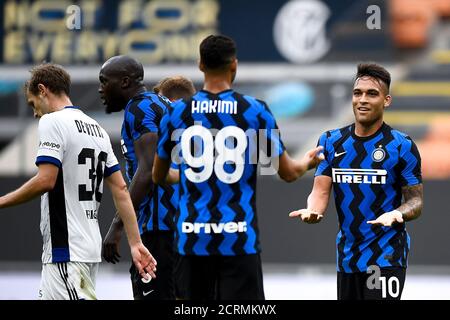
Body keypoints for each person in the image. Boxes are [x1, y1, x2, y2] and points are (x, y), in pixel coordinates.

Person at [152, 34, 324, 300]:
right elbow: (288, 173)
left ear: (200, 65)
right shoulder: (254, 111)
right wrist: (308, 162)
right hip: (239, 239)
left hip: (191, 240)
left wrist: (184, 176)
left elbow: (158, 176)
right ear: (234, 64)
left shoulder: (177, 113)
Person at [0, 63, 156, 300]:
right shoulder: (97, 129)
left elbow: (45, 180)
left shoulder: (52, 122)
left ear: (43, 90)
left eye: (33, 104)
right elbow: (122, 189)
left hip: (67, 251)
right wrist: (135, 243)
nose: (34, 113)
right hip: (85, 249)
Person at [289, 63, 423, 300]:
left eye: (372, 94)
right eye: (357, 93)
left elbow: (416, 202)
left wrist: (398, 214)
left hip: (386, 253)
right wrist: (313, 211)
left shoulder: (402, 146)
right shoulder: (331, 141)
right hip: (348, 255)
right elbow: (320, 191)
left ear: (386, 100)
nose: (362, 99)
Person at [99, 56, 177, 300]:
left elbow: (148, 170)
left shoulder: (138, 108)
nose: (101, 89)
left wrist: (117, 225)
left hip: (159, 229)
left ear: (124, 82)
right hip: (180, 226)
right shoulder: (165, 103)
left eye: (104, 82)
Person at [153, 75, 196, 300]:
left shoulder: (168, 120)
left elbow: (156, 174)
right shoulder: (208, 123)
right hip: (201, 227)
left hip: (169, 227)